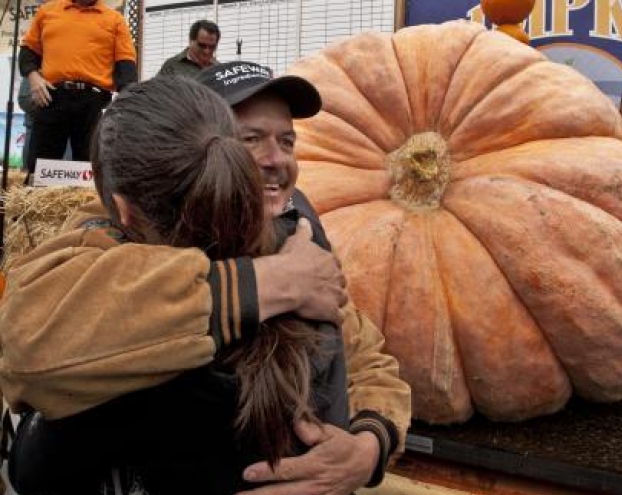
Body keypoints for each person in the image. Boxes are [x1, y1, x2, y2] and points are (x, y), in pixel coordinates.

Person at [1, 61, 410, 495]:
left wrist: (368, 445)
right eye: (249, 139)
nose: (276, 160)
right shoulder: (120, 241)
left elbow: (367, 358)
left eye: (287, 141)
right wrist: (269, 282)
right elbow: (31, 340)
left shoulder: (300, 240)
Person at [18, 0, 137, 175]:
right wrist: (34, 77)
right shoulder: (47, 11)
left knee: (90, 169)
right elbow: (28, 50)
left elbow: (126, 64)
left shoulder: (115, 19)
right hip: (50, 97)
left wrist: (126, 102)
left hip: (93, 102)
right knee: (39, 167)